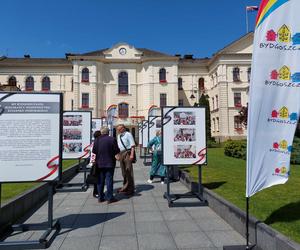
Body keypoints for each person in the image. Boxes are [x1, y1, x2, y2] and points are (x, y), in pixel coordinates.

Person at [92, 127, 120, 204]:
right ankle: (110, 198)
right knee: (109, 180)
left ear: (101, 132)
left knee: (100, 181)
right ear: (108, 132)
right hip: (110, 162)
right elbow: (116, 150)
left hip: (99, 163)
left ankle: (100, 197)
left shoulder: (97, 140)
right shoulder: (112, 139)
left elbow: (94, 151)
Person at [116, 124, 136, 195]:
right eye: (118, 129)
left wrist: (132, 154)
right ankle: (125, 186)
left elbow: (132, 145)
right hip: (121, 153)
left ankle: (131, 188)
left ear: (123, 128)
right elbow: (118, 145)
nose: (118, 130)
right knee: (123, 171)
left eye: (120, 129)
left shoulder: (128, 134)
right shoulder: (119, 136)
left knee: (129, 170)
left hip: (127, 153)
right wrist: (117, 154)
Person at [89, 130, 102, 198]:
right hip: (95, 163)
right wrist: (93, 162)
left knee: (97, 177)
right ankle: (95, 192)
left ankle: (97, 191)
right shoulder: (96, 143)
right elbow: (93, 154)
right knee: (96, 178)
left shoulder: (95, 142)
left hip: (95, 162)